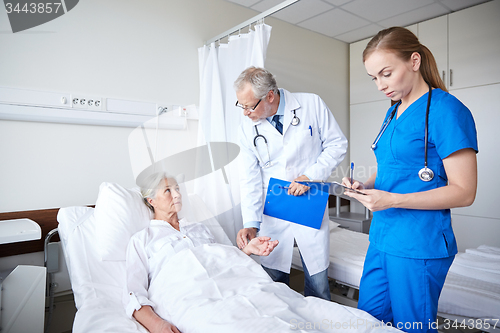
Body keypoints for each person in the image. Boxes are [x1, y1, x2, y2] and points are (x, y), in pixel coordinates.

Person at [342, 27, 478, 332]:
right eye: (374, 78)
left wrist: (393, 199)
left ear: (414, 61)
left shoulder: (447, 111)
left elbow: (464, 191)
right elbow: (391, 166)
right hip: (381, 237)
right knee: (370, 320)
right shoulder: (392, 113)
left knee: (411, 327)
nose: (380, 85)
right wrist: (366, 185)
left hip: (418, 243)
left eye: (386, 74)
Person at [234, 66, 347, 300]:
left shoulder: (312, 105)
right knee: (273, 284)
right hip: (273, 211)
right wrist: (251, 223)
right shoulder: (247, 126)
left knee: (318, 285)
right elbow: (250, 177)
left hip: (309, 203)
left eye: (249, 106)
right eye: (241, 105)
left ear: (270, 96)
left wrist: (311, 175)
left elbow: (337, 144)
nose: (245, 112)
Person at [125, 172, 279, 333]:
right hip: (191, 299)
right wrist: (158, 325)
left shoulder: (199, 228)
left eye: (177, 188)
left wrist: (246, 250)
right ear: (152, 201)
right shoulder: (142, 240)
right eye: (168, 191)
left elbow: (221, 263)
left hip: (235, 288)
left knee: (277, 307)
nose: (177, 194)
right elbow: (134, 293)